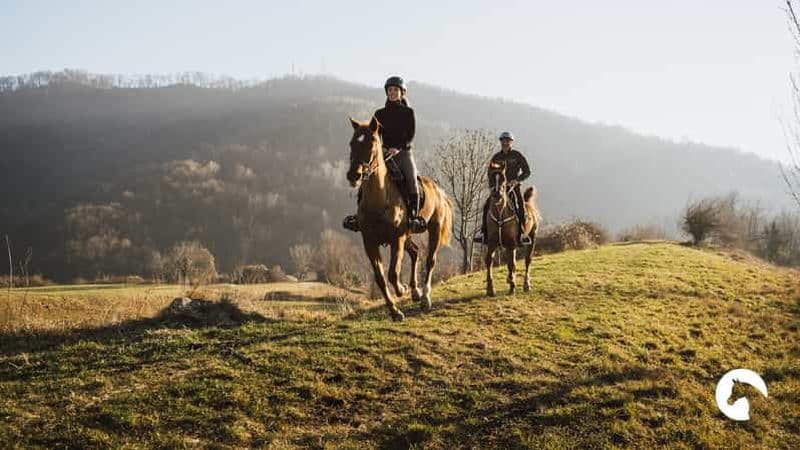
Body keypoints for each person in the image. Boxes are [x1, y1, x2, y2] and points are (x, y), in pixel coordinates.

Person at [342, 75, 427, 233]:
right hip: (384, 154)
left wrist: (399, 148)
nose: (392, 92)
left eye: (395, 90)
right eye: (390, 90)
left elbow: (410, 135)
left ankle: (413, 218)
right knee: (368, 177)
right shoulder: (379, 114)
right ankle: (358, 216)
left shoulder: (409, 113)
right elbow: (374, 136)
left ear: (402, 92)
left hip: (403, 153)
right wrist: (381, 149)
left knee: (412, 179)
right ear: (386, 92)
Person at [473, 131, 532, 245]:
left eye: (507, 141)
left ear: (511, 142)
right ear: (501, 142)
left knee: (520, 206)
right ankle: (483, 233)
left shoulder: (517, 155)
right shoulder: (496, 157)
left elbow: (527, 172)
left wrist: (517, 180)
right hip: (499, 188)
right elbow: (490, 173)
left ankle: (522, 234)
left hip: (513, 187)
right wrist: (493, 185)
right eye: (503, 141)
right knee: (486, 206)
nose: (505, 143)